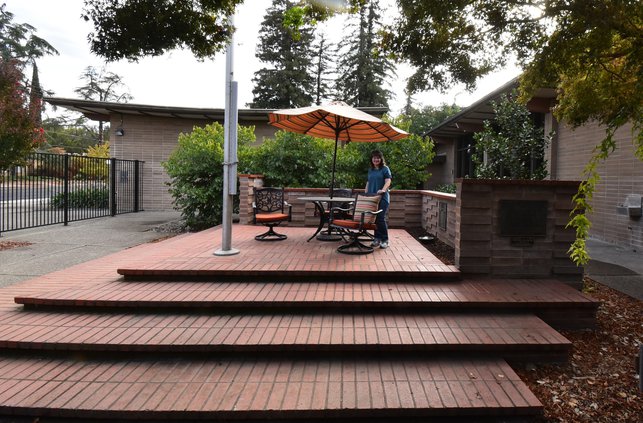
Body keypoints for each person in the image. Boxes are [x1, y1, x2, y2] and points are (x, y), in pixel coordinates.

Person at [365, 150, 391, 249]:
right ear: (372, 159)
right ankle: (377, 238)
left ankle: (385, 240)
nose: (376, 159)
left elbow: (388, 181)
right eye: (374, 158)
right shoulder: (370, 170)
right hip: (372, 198)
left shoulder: (385, 169)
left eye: (378, 158)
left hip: (382, 198)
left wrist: (383, 190)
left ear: (381, 159)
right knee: (374, 219)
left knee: (380, 218)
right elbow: (368, 182)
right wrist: (366, 193)